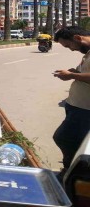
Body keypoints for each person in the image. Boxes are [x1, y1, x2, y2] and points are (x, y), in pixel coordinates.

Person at [53, 26, 90, 175]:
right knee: (68, 139)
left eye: (68, 46)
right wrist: (75, 72)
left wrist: (72, 75)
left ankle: (75, 173)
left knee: (65, 138)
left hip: (85, 110)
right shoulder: (87, 53)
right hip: (76, 106)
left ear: (77, 38)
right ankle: (73, 170)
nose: (71, 49)